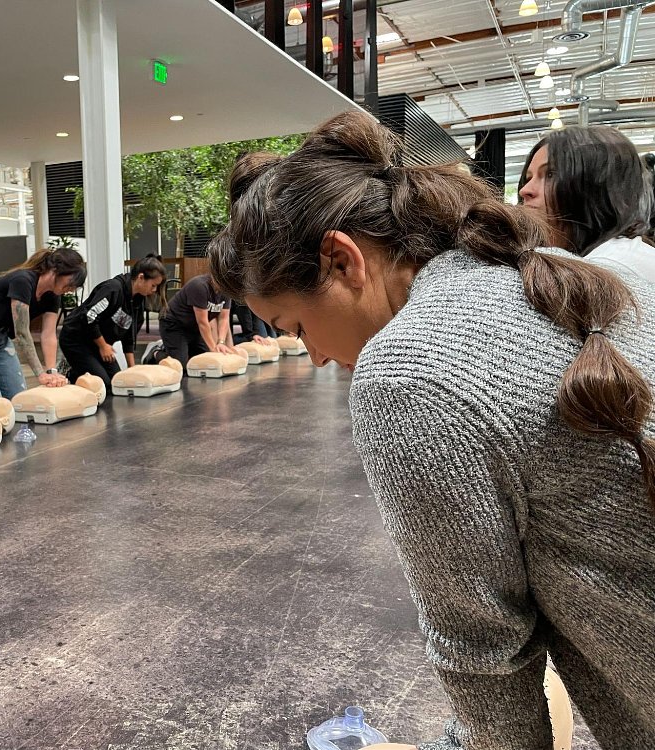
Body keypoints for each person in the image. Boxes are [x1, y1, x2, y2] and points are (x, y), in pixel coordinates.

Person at [210, 110, 655, 748]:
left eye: (297, 327)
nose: (313, 358)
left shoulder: (409, 371)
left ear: (342, 261)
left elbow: (480, 641)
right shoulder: (548, 270)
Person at [519, 125, 655, 284]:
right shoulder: (618, 254)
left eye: (550, 175)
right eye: (529, 178)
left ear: (597, 188)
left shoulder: (614, 269)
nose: (525, 190)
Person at [0, 247, 86, 401]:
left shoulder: (53, 295)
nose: (71, 289)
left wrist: (51, 371)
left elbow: (48, 334)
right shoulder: (23, 280)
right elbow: (22, 333)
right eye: (71, 282)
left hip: (0, 339)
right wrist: (40, 373)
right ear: (56, 270)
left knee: (18, 400)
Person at [58, 255, 166, 391]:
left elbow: (129, 337)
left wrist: (132, 370)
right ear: (141, 277)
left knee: (117, 382)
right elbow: (90, 316)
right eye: (153, 285)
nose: (154, 290)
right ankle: (70, 372)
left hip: (98, 344)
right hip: (76, 339)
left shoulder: (138, 302)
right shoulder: (113, 289)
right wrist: (103, 346)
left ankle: (82, 367)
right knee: (103, 384)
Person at [155, 273, 237, 369]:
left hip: (193, 327)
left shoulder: (225, 290)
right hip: (174, 323)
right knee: (180, 366)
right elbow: (202, 323)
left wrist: (221, 342)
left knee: (204, 362)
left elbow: (224, 318)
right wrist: (214, 349)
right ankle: (156, 352)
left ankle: (179, 349)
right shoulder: (200, 286)